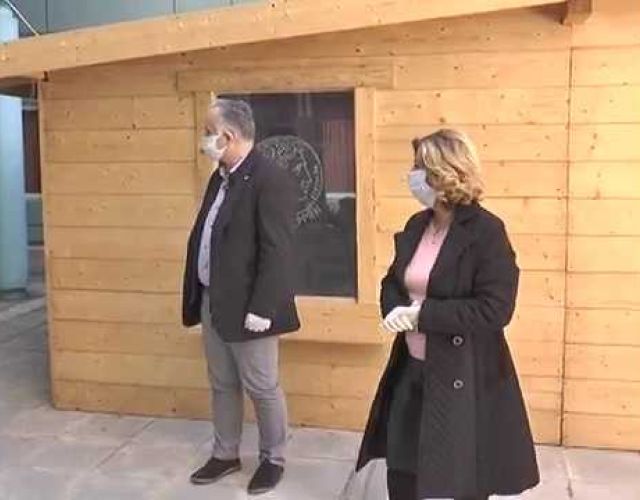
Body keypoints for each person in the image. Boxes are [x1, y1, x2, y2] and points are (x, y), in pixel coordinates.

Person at [354, 129, 540, 499]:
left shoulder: (487, 232)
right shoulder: (416, 225)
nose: (412, 175)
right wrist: (394, 309)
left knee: (465, 477)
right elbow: (393, 281)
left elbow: (495, 308)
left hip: (463, 372)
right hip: (411, 369)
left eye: (418, 167)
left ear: (443, 173)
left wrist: (422, 316)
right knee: (402, 470)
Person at [181, 98, 299, 495]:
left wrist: (263, 308)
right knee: (222, 382)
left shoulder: (269, 178)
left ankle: (273, 459)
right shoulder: (220, 177)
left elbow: (278, 250)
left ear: (228, 136)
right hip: (214, 299)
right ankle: (225, 454)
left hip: (252, 307)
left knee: (262, 386)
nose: (204, 139)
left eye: (208, 132)